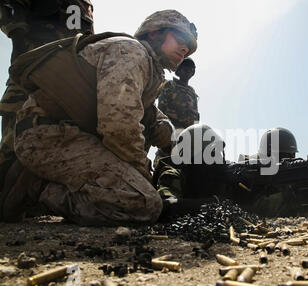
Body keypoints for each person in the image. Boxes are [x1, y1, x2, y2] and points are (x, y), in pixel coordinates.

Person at [5, 10, 198, 226]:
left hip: (66, 135)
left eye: (189, 48)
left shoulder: (148, 70)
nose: (185, 49)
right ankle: (38, 187)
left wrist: (184, 149)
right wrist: (144, 175)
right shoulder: (131, 52)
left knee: (141, 186)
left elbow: (152, 120)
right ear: (153, 34)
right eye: (180, 39)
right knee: (144, 203)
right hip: (48, 137)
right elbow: (119, 127)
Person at [0, 0, 94, 210]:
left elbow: (84, 38)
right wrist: (19, 45)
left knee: (47, 137)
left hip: (65, 76)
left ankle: (26, 202)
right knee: (14, 137)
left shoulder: (85, 4)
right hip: (33, 67)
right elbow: (10, 8)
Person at [157, 58, 199, 130]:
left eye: (191, 70)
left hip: (188, 131)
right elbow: (161, 107)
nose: (188, 71)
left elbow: (195, 114)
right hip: (171, 128)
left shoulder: (192, 92)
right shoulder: (170, 85)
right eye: (185, 69)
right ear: (179, 70)